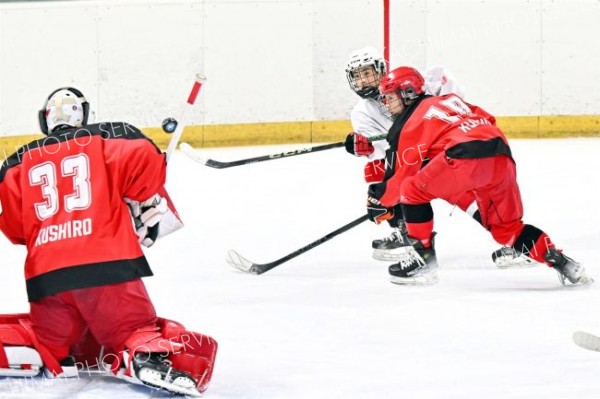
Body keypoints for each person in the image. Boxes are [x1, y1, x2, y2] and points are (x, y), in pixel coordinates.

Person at [0, 87, 217, 396]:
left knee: (49, 339)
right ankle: (144, 354)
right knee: (131, 328)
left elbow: (13, 229)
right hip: (106, 268)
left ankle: (48, 349)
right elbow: (144, 167)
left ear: (45, 120)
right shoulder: (109, 139)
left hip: (46, 281)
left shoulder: (16, 164)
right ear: (83, 115)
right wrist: (152, 179)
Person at [366, 66, 593, 286]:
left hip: (465, 157)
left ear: (408, 92)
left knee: (412, 190)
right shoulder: (450, 99)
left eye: (390, 96)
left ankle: (423, 261)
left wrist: (379, 200)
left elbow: (400, 180)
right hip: (500, 154)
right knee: (507, 230)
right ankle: (563, 263)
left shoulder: (407, 124)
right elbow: (488, 119)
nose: (386, 102)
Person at [342, 47, 495, 263]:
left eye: (367, 73)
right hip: (413, 156)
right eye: (357, 76)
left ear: (380, 70)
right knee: (377, 170)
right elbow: (382, 152)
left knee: (466, 195)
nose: (363, 81)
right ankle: (405, 229)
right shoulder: (361, 112)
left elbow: (451, 94)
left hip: (446, 149)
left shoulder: (408, 81)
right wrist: (365, 148)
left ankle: (510, 236)